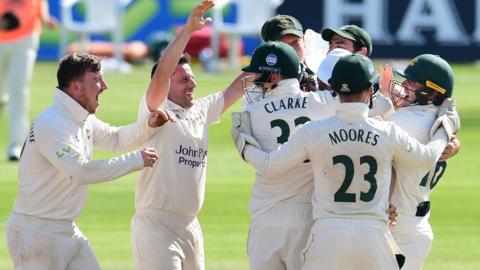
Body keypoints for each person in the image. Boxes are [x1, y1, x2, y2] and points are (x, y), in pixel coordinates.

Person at [232, 54, 459, 269]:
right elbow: (427, 156)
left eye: (411, 84)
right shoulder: (388, 129)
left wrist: (244, 141)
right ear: (371, 90)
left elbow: (269, 164)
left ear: (333, 89)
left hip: (328, 233)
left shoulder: (313, 131)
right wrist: (446, 127)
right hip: (376, 232)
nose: (404, 87)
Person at [5, 52, 170, 269]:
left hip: (66, 230)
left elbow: (115, 139)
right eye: (97, 80)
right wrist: (136, 160)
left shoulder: (83, 118)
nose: (105, 86)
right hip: (35, 232)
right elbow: (79, 172)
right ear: (76, 87)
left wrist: (147, 125)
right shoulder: (52, 122)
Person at [130, 1, 245, 269]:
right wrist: (187, 32)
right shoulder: (155, 109)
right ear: (167, 84)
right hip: (156, 225)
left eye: (192, 78)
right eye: (184, 80)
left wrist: (277, 57)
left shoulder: (200, 111)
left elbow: (238, 87)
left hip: (191, 225)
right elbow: (161, 75)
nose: (193, 84)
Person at [240, 41, 336, 270]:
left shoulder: (251, 112)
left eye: (259, 75)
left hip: (266, 216)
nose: (254, 81)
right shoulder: (323, 103)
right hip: (310, 216)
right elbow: (375, 104)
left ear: (273, 77)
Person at [385, 54, 460, 270]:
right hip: (415, 225)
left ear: (432, 91)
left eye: (411, 82)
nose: (404, 86)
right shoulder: (440, 120)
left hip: (396, 225)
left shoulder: (404, 121)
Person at [0, 0, 58, 161]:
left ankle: (15, 146)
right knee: (1, 97)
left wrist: (45, 17)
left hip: (26, 37)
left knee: (19, 92)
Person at [261, 14, 318, 91]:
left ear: (304, 41)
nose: (291, 51)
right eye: (283, 46)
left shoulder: (322, 76)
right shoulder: (257, 79)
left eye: (296, 42)